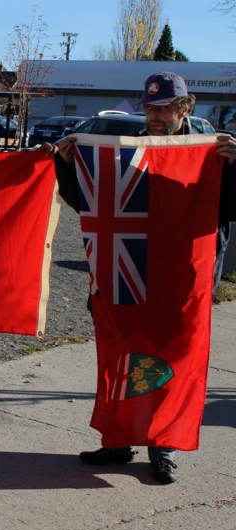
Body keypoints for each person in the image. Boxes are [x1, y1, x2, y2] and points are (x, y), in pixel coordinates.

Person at [52, 71, 236, 483]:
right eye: (150, 107)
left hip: (180, 280)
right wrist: (66, 166)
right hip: (128, 271)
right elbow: (88, 200)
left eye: (164, 107)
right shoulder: (129, 152)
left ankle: (162, 443)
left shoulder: (211, 153)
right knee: (122, 357)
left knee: (171, 362)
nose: (154, 115)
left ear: (185, 108)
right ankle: (117, 439)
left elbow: (229, 210)